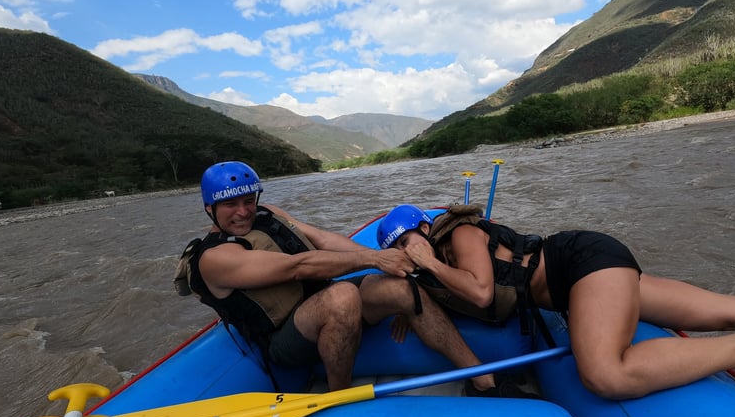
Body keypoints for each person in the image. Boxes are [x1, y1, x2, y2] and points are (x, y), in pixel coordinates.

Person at [182, 161, 514, 395]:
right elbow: (297, 266)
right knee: (342, 296)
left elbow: (323, 239)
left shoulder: (269, 215)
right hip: (285, 339)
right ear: (210, 208)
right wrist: (373, 257)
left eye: (248, 201)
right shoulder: (215, 258)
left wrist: (385, 263)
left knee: (400, 288)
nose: (243, 211)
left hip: (322, 301)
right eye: (230, 205)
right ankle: (340, 395)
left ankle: (482, 378)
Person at [377, 203, 735, 400]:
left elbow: (480, 291)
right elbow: (447, 294)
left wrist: (428, 264)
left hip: (580, 264)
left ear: (426, 228)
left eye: (408, 241)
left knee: (606, 375)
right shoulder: (434, 271)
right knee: (734, 310)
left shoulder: (461, 234)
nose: (407, 251)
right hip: (585, 274)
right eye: (398, 249)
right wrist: (412, 301)